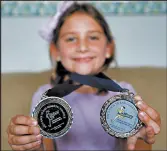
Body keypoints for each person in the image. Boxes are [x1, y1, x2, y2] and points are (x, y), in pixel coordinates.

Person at [7, 1, 161, 150]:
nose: (82, 47)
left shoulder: (122, 94)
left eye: (93, 37)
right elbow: (43, 145)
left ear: (108, 48)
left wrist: (143, 137)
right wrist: (32, 145)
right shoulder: (45, 97)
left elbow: (134, 144)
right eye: (71, 39)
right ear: (56, 51)